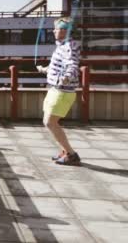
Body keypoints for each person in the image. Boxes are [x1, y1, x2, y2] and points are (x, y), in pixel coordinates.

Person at [36, 17, 81, 166]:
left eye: (56, 28)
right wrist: (44, 69)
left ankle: (71, 154)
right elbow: (58, 66)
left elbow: (73, 65)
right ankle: (65, 151)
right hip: (56, 89)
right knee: (49, 122)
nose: (54, 31)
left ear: (63, 30)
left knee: (50, 123)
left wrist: (67, 78)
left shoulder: (70, 45)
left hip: (63, 91)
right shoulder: (62, 46)